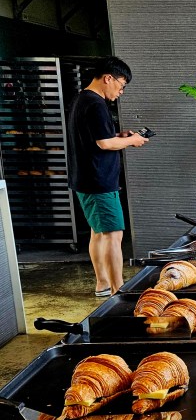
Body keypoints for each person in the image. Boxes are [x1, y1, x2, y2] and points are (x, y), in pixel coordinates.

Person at [66, 56, 148, 296]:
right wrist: (132, 140)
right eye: (121, 85)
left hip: (86, 178)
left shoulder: (82, 99)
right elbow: (104, 143)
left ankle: (102, 284)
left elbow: (97, 137)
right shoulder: (96, 104)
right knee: (113, 234)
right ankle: (117, 291)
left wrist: (120, 136)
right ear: (108, 78)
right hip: (99, 180)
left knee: (98, 232)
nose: (121, 92)